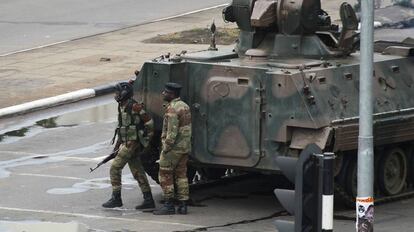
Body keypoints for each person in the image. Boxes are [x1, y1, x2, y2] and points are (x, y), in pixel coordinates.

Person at [102, 80, 155, 210]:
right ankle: (148, 199)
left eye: (117, 92)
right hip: (127, 142)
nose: (116, 95)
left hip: (133, 143)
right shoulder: (121, 106)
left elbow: (149, 123)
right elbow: (122, 127)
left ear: (124, 93)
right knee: (138, 172)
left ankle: (116, 198)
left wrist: (145, 141)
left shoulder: (134, 106)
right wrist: (117, 145)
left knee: (115, 168)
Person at [153, 82, 192, 215]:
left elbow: (172, 132)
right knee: (181, 175)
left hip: (173, 148)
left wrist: (166, 148)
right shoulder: (184, 106)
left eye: (165, 92)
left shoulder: (172, 109)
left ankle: (169, 204)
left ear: (172, 94)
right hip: (184, 147)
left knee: (165, 174)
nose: (163, 94)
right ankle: (183, 204)